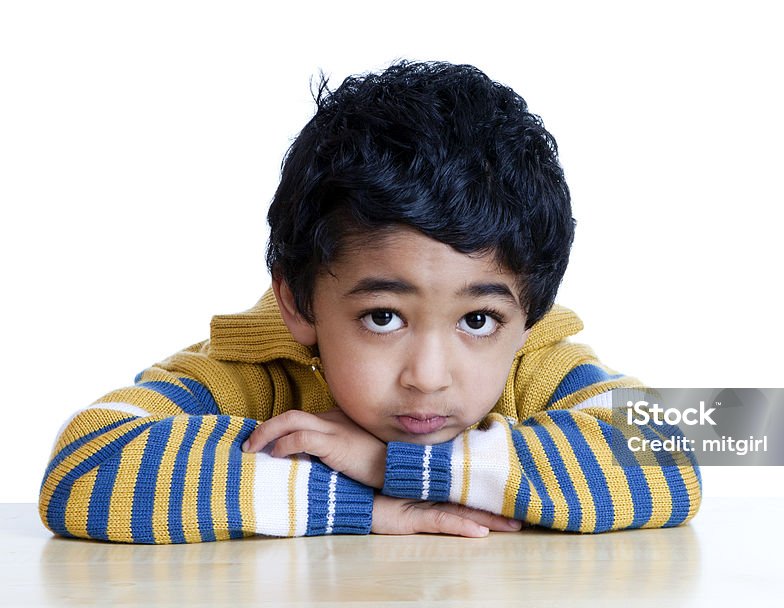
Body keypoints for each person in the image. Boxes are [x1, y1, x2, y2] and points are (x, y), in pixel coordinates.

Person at [38, 61, 702, 544]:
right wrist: (362, 502)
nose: (429, 375)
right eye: (383, 317)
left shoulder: (534, 364)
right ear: (299, 302)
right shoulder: (250, 371)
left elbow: (675, 452)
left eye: (478, 320)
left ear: (527, 316)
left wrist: (395, 466)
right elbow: (86, 467)